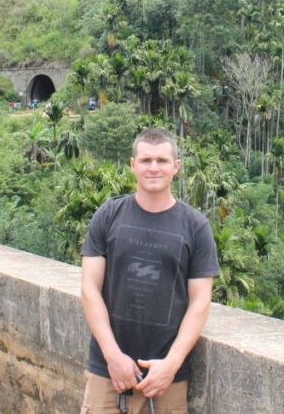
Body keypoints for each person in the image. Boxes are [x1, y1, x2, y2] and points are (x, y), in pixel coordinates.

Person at [80, 128, 219, 413]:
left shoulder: (195, 227)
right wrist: (113, 356)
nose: (153, 168)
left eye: (162, 160)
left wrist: (171, 365)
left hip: (166, 378)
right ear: (133, 165)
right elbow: (89, 289)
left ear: (175, 167)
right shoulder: (108, 215)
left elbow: (200, 302)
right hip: (108, 371)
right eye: (145, 160)